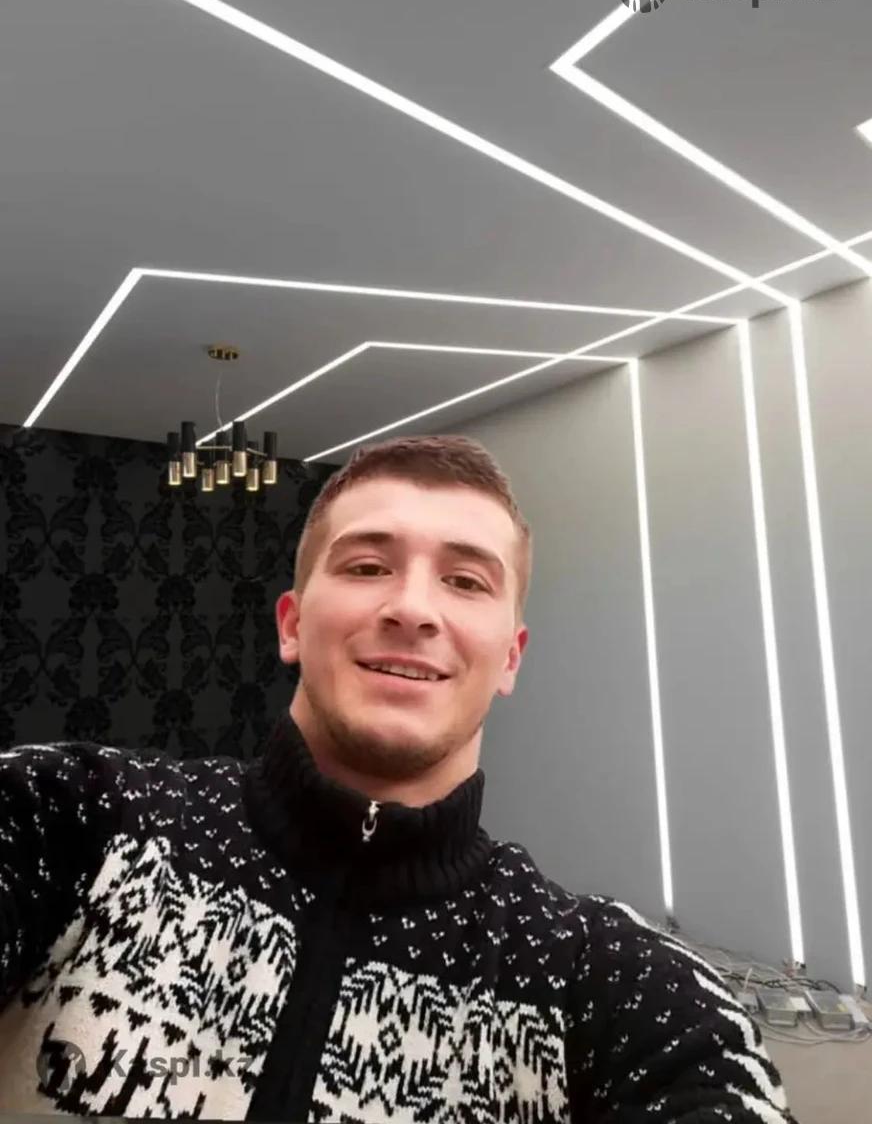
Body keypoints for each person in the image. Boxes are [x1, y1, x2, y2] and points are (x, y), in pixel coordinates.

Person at [0, 434, 795, 1122]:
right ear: (291, 625)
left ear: (510, 658)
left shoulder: (604, 978)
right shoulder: (79, 816)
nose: (413, 609)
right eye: (369, 565)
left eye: (466, 581)